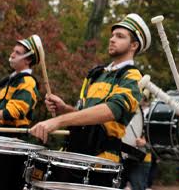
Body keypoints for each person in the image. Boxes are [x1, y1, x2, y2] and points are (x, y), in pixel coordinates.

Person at [30, 13, 151, 163]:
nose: (112, 39)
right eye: (112, 35)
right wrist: (64, 108)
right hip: (74, 151)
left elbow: (112, 110)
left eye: (120, 36)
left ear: (134, 45)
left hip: (101, 161)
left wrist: (59, 121)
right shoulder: (95, 74)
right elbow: (82, 115)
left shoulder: (133, 77)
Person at [120, 89, 153, 190]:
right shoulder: (126, 108)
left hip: (141, 159)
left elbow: (158, 146)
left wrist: (145, 144)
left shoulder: (152, 114)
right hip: (123, 157)